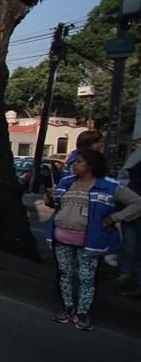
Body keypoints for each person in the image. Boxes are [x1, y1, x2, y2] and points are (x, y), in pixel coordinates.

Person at [45, 149, 141, 330]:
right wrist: (50, 197)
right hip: (61, 237)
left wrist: (114, 218)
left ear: (91, 166)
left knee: (86, 277)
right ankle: (68, 308)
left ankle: (82, 313)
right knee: (65, 274)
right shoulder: (66, 182)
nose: (74, 164)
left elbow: (137, 203)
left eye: (79, 162)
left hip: (90, 240)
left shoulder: (108, 185)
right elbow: (55, 204)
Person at [116, 134, 141, 298]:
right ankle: (131, 281)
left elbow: (123, 176)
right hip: (133, 203)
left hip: (130, 201)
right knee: (133, 246)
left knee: (130, 245)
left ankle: (127, 278)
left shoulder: (136, 156)